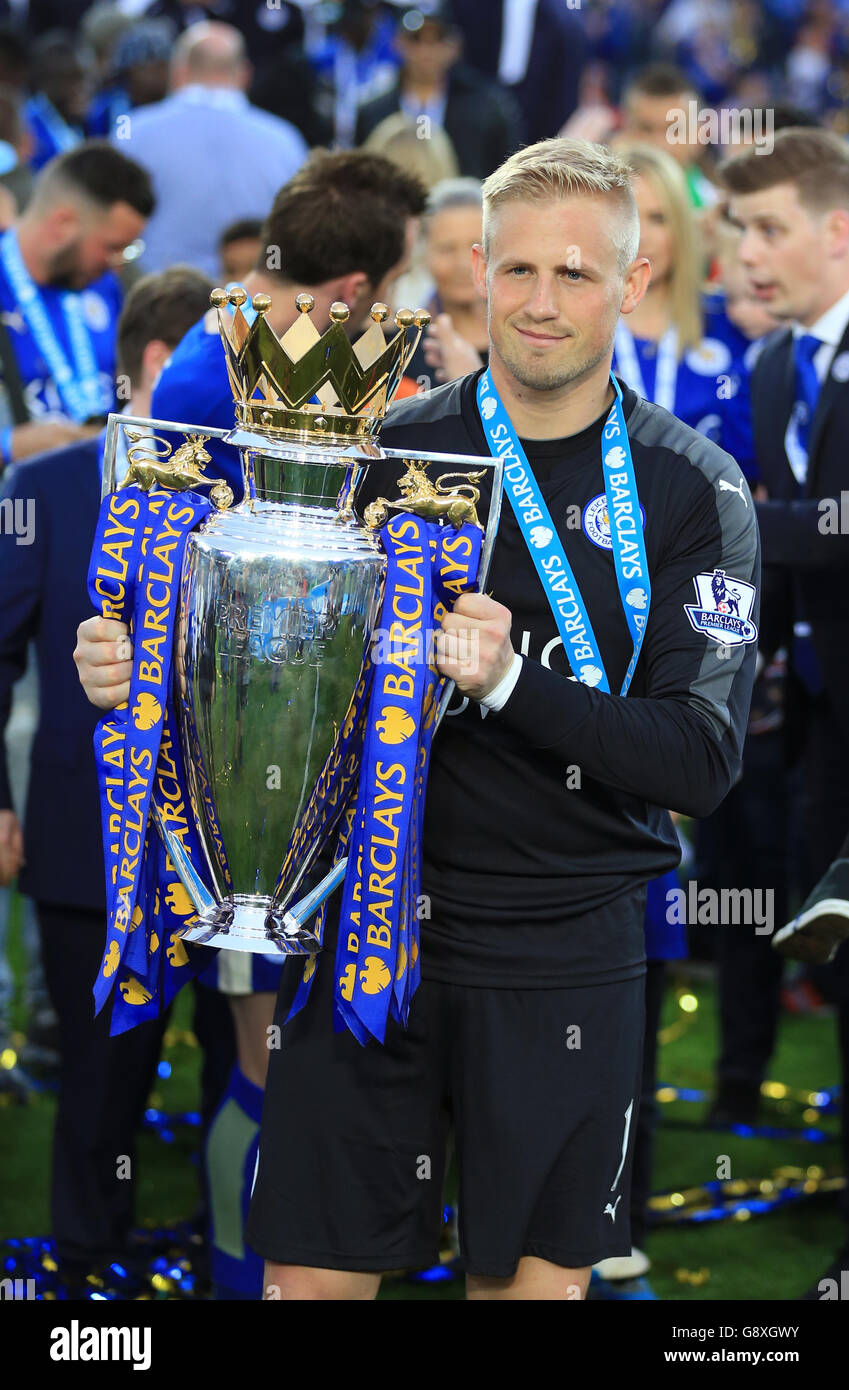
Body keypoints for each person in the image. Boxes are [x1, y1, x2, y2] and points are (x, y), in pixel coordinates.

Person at [76, 136, 760, 1300]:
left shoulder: (697, 486)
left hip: (562, 956)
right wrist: (152, 681)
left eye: (577, 275)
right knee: (314, 1285)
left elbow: (701, 761)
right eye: (517, 271)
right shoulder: (377, 451)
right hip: (365, 937)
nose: (541, 304)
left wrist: (509, 684)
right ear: (474, 272)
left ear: (633, 284)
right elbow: (281, 690)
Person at [73, 146, 428, 1299]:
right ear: (358, 293)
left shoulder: (212, 350)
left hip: (263, 765)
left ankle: (251, 1269)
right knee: (271, 1061)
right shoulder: (239, 377)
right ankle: (246, 1278)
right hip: (240, 778)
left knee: (268, 1058)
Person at [0, 264, 229, 1293]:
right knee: (99, 1081)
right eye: (235, 372)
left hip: (233, 850)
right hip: (84, 842)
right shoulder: (44, 489)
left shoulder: (251, 487)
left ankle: (233, 1246)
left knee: (243, 1064)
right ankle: (88, 1266)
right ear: (158, 365)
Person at [720, 125, 849, 1294]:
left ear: (838, 229)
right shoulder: (773, 368)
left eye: (768, 229)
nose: (748, 256)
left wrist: (718, 524)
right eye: (738, 231)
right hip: (813, 723)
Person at [146, 148, 427, 495]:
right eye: (393, 280)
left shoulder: (222, 339)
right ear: (354, 289)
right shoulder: (243, 392)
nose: (392, 301)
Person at [0, 139, 154, 469]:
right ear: (63, 224)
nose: (117, 263)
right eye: (112, 247)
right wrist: (8, 445)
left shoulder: (109, 288)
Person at [610, 142, 756, 478]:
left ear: (682, 228)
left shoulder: (734, 323)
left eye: (659, 218)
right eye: (627, 218)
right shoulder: (570, 328)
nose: (640, 236)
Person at [117, 21, 307, 276]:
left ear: (179, 71)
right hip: (254, 305)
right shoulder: (285, 140)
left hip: (163, 299)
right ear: (244, 74)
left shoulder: (133, 132)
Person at [356, 3, 521, 183]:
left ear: (454, 45)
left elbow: (507, 175)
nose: (427, 50)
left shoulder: (487, 109)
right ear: (399, 42)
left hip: (465, 206)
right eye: (416, 39)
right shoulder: (373, 112)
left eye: (438, 39)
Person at [451, 0, 587, 146]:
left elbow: (566, 86)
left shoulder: (563, 14)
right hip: (479, 112)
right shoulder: (470, 7)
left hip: (541, 118)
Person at [619, 64, 719, 211]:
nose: (660, 144)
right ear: (625, 131)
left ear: (701, 133)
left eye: (675, 129)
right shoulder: (603, 203)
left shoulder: (718, 208)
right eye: (646, 128)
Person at [24, 30, 92, 172]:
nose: (80, 89)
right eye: (70, 79)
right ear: (46, 81)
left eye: (82, 78)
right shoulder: (28, 126)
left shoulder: (81, 122)